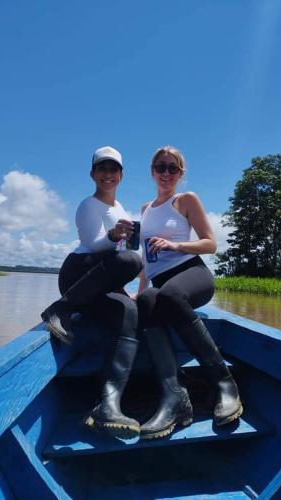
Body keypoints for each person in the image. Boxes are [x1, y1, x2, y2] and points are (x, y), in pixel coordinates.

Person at [136, 146, 242, 440]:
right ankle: (174, 398)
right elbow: (145, 256)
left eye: (173, 168)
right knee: (146, 302)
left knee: (169, 296)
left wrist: (176, 246)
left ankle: (225, 383)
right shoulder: (145, 210)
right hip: (162, 282)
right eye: (161, 167)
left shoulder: (186, 200)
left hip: (192, 273)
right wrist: (140, 289)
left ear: (181, 174)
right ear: (152, 170)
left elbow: (210, 244)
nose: (166, 173)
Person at [41, 146, 143, 438]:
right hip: (77, 274)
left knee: (129, 311)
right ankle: (60, 308)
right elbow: (94, 243)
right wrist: (113, 236)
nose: (108, 175)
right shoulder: (89, 205)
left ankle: (107, 406)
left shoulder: (121, 209)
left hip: (101, 281)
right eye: (102, 169)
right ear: (93, 174)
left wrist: (124, 292)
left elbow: (116, 261)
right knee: (131, 259)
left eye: (113, 170)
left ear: (121, 175)